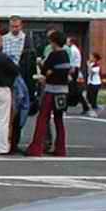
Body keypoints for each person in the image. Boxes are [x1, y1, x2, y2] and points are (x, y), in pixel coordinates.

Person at [23, 29, 72, 158]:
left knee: (43, 118)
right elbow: (64, 72)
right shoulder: (66, 55)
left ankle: (36, 147)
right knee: (59, 120)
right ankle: (60, 148)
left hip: (51, 90)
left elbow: (45, 71)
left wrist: (42, 67)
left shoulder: (53, 55)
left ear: (54, 42)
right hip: (63, 91)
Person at [85, 53, 103, 118]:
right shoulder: (91, 64)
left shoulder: (97, 65)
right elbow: (88, 73)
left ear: (95, 58)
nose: (90, 58)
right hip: (90, 83)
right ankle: (93, 109)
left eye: (91, 57)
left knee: (93, 98)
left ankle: (96, 110)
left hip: (96, 83)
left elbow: (91, 72)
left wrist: (88, 66)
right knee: (88, 97)